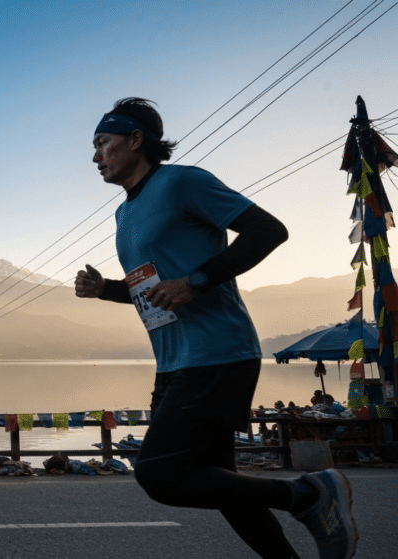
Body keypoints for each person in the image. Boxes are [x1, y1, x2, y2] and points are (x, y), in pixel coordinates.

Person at [75, 98, 356, 559]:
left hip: (217, 351)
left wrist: (196, 282)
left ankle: (307, 495)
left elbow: (268, 230)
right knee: (223, 486)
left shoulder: (183, 182)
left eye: (102, 143)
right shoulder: (125, 214)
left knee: (159, 474)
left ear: (135, 140)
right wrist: (105, 288)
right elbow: (156, 289)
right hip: (174, 361)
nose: (95, 156)